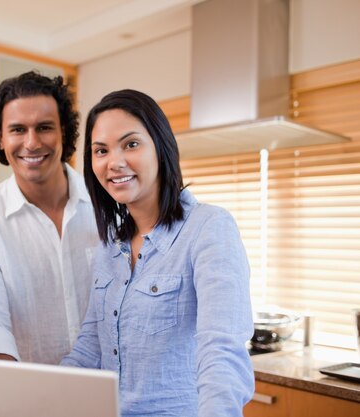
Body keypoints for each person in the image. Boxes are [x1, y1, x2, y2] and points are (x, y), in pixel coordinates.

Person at [61, 90, 254, 416]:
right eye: (101, 150)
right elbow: (91, 345)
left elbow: (221, 350)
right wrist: (38, 393)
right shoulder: (111, 245)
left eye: (131, 144)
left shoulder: (208, 228)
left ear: (161, 148)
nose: (114, 162)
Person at [0, 71, 98, 365]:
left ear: (64, 131)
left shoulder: (108, 204)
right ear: (0, 137)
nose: (32, 142)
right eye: (18, 130)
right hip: (30, 396)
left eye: (45, 127)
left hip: (120, 392)